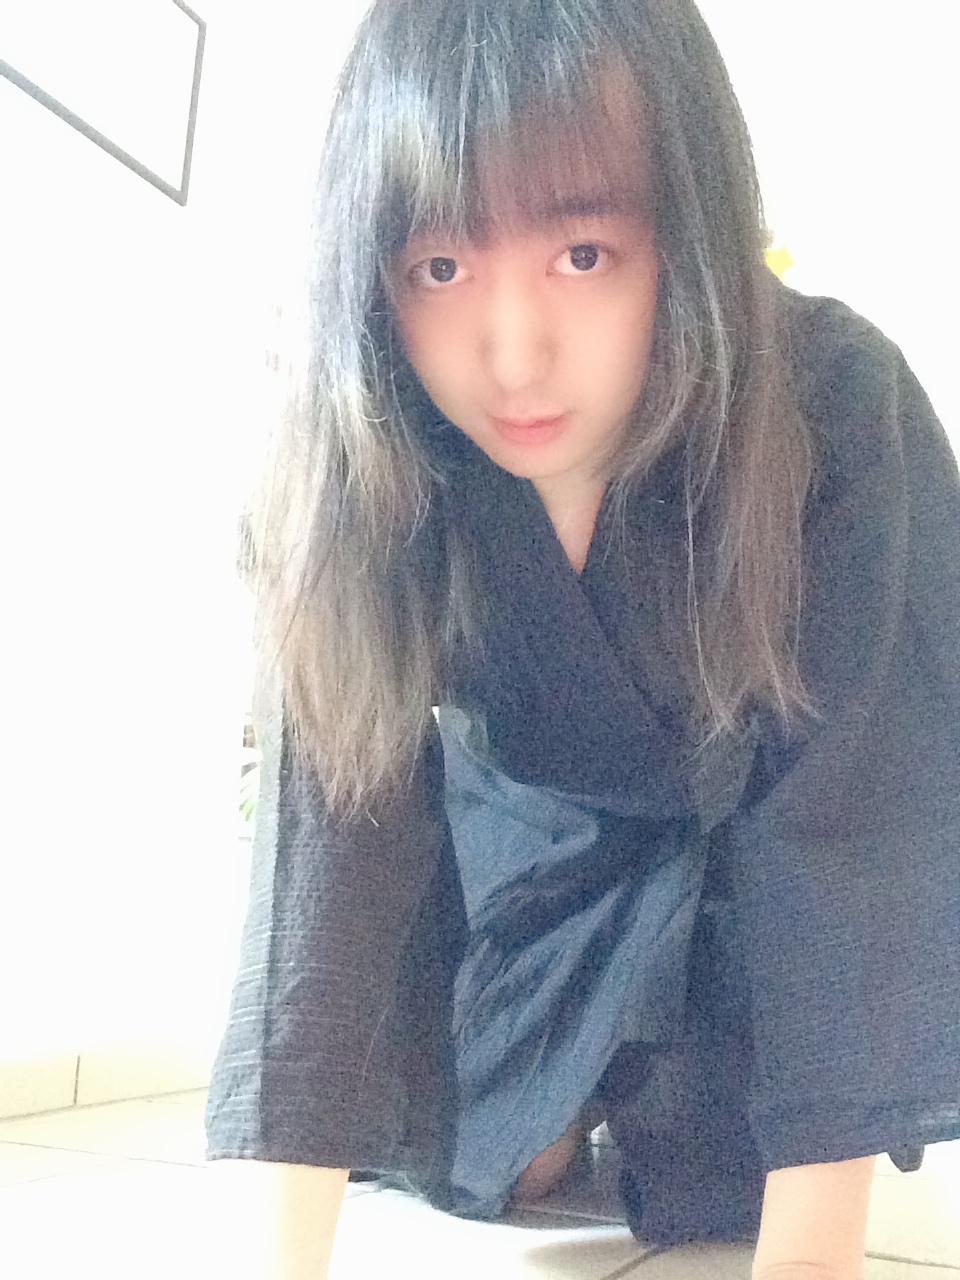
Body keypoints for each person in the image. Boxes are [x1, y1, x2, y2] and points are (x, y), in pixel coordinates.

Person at [204, 1, 960, 1277]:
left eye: (583, 252)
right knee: (499, 1161)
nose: (513, 357)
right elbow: (330, 833)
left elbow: (856, 816)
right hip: (537, 865)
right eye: (440, 268)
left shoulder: (835, 401)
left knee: (723, 1185)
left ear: (688, 224)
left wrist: (812, 1256)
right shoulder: (367, 439)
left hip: (753, 874)